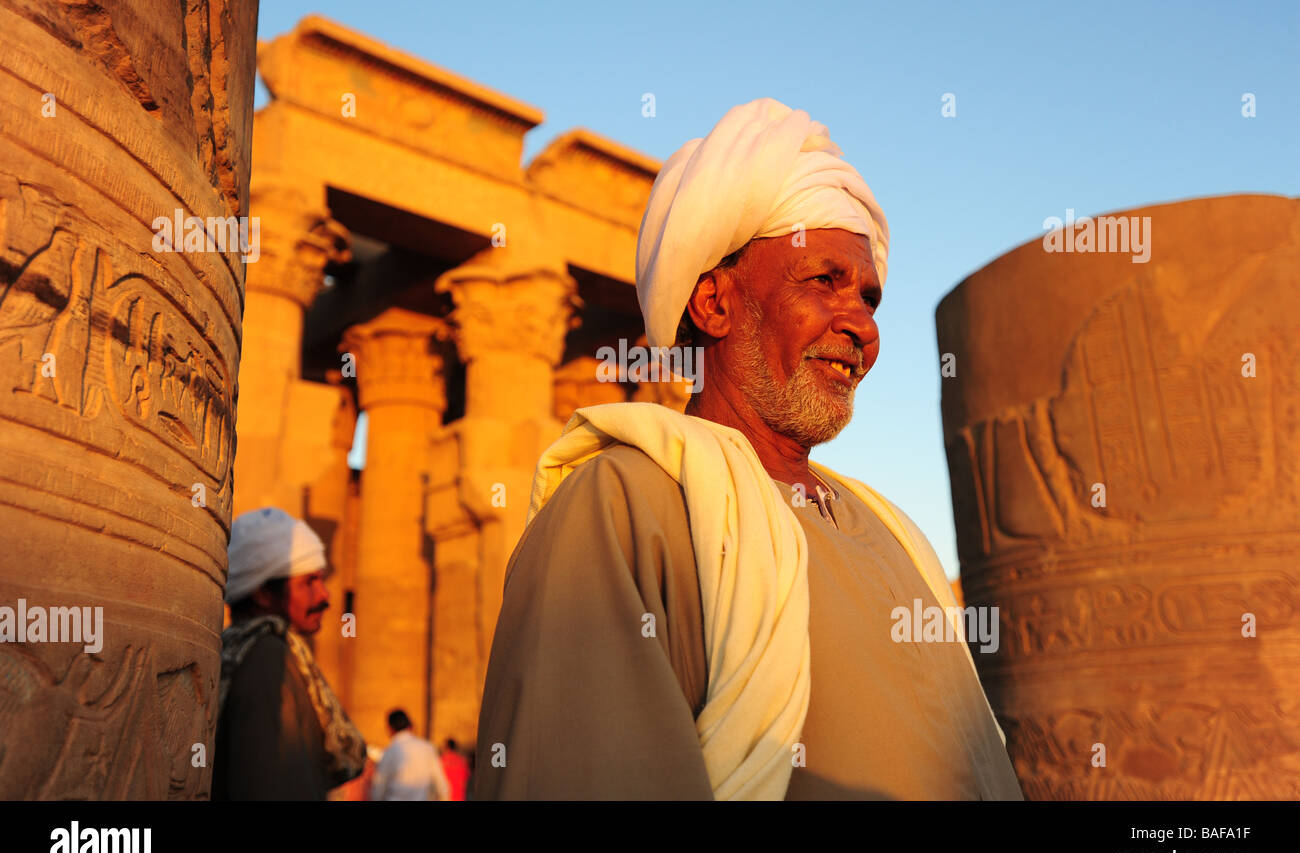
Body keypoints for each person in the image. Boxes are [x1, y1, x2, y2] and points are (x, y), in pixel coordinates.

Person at [475, 97, 1024, 800]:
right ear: (713, 304)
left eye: (870, 297)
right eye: (825, 281)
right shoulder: (625, 509)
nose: (862, 327)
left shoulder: (890, 529)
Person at [213, 507, 366, 800]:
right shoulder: (268, 659)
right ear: (262, 593)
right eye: (309, 582)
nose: (325, 596)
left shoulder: (246, 652)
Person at [370, 709, 451, 801]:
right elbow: (442, 786)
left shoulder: (390, 752)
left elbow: (378, 789)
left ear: (390, 728)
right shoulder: (427, 748)